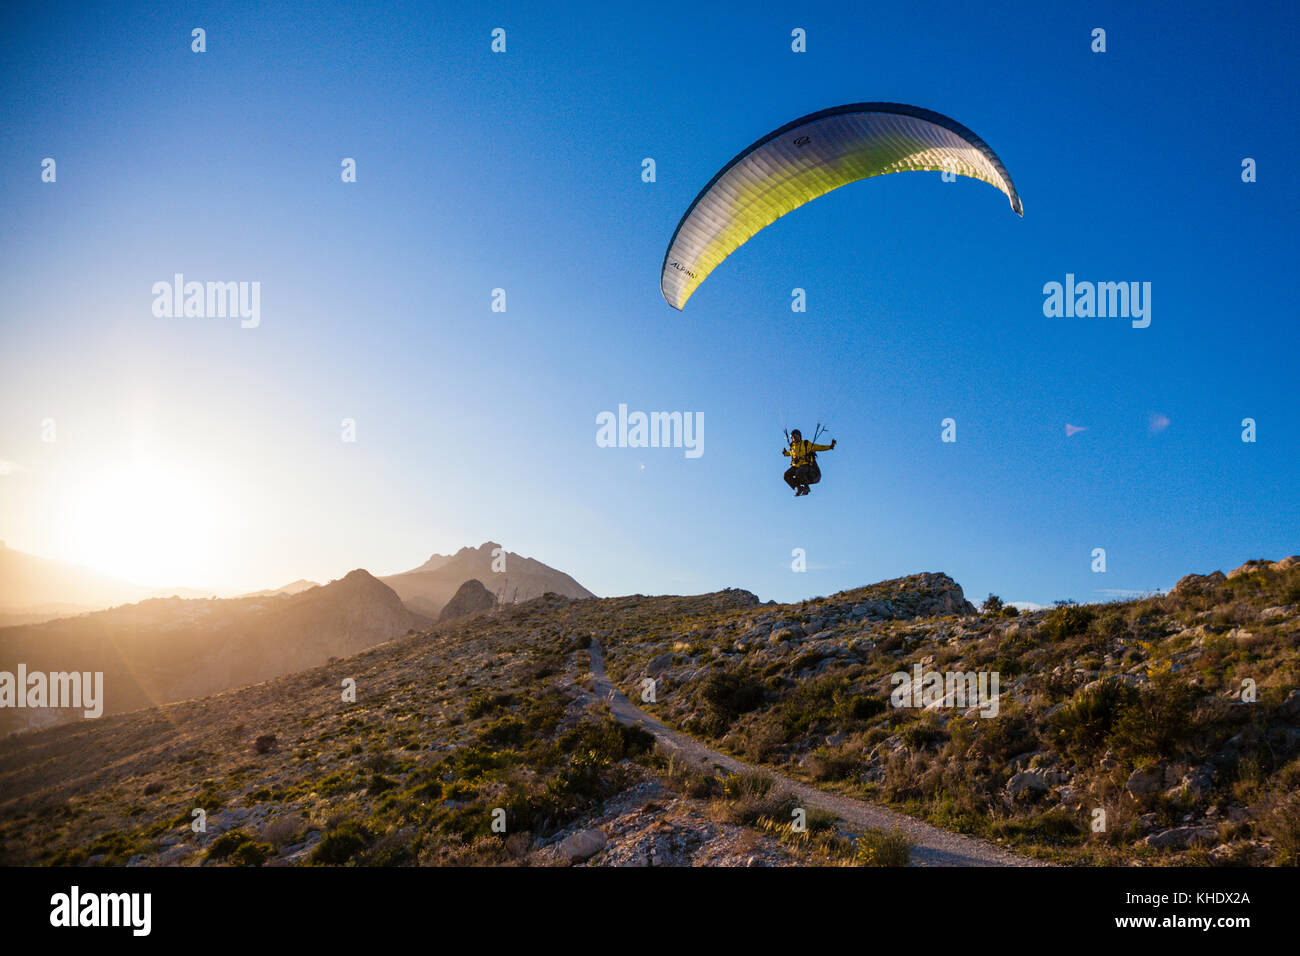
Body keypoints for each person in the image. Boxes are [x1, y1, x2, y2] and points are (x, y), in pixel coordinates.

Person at [782, 428, 836, 496]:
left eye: (795, 436)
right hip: (796, 466)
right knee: (786, 475)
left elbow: (818, 447)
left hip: (807, 465)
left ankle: (806, 487)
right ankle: (799, 487)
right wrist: (785, 453)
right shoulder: (792, 447)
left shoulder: (806, 444)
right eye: (793, 437)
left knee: (799, 472)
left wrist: (830, 447)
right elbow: (790, 453)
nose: (794, 438)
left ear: (799, 436)